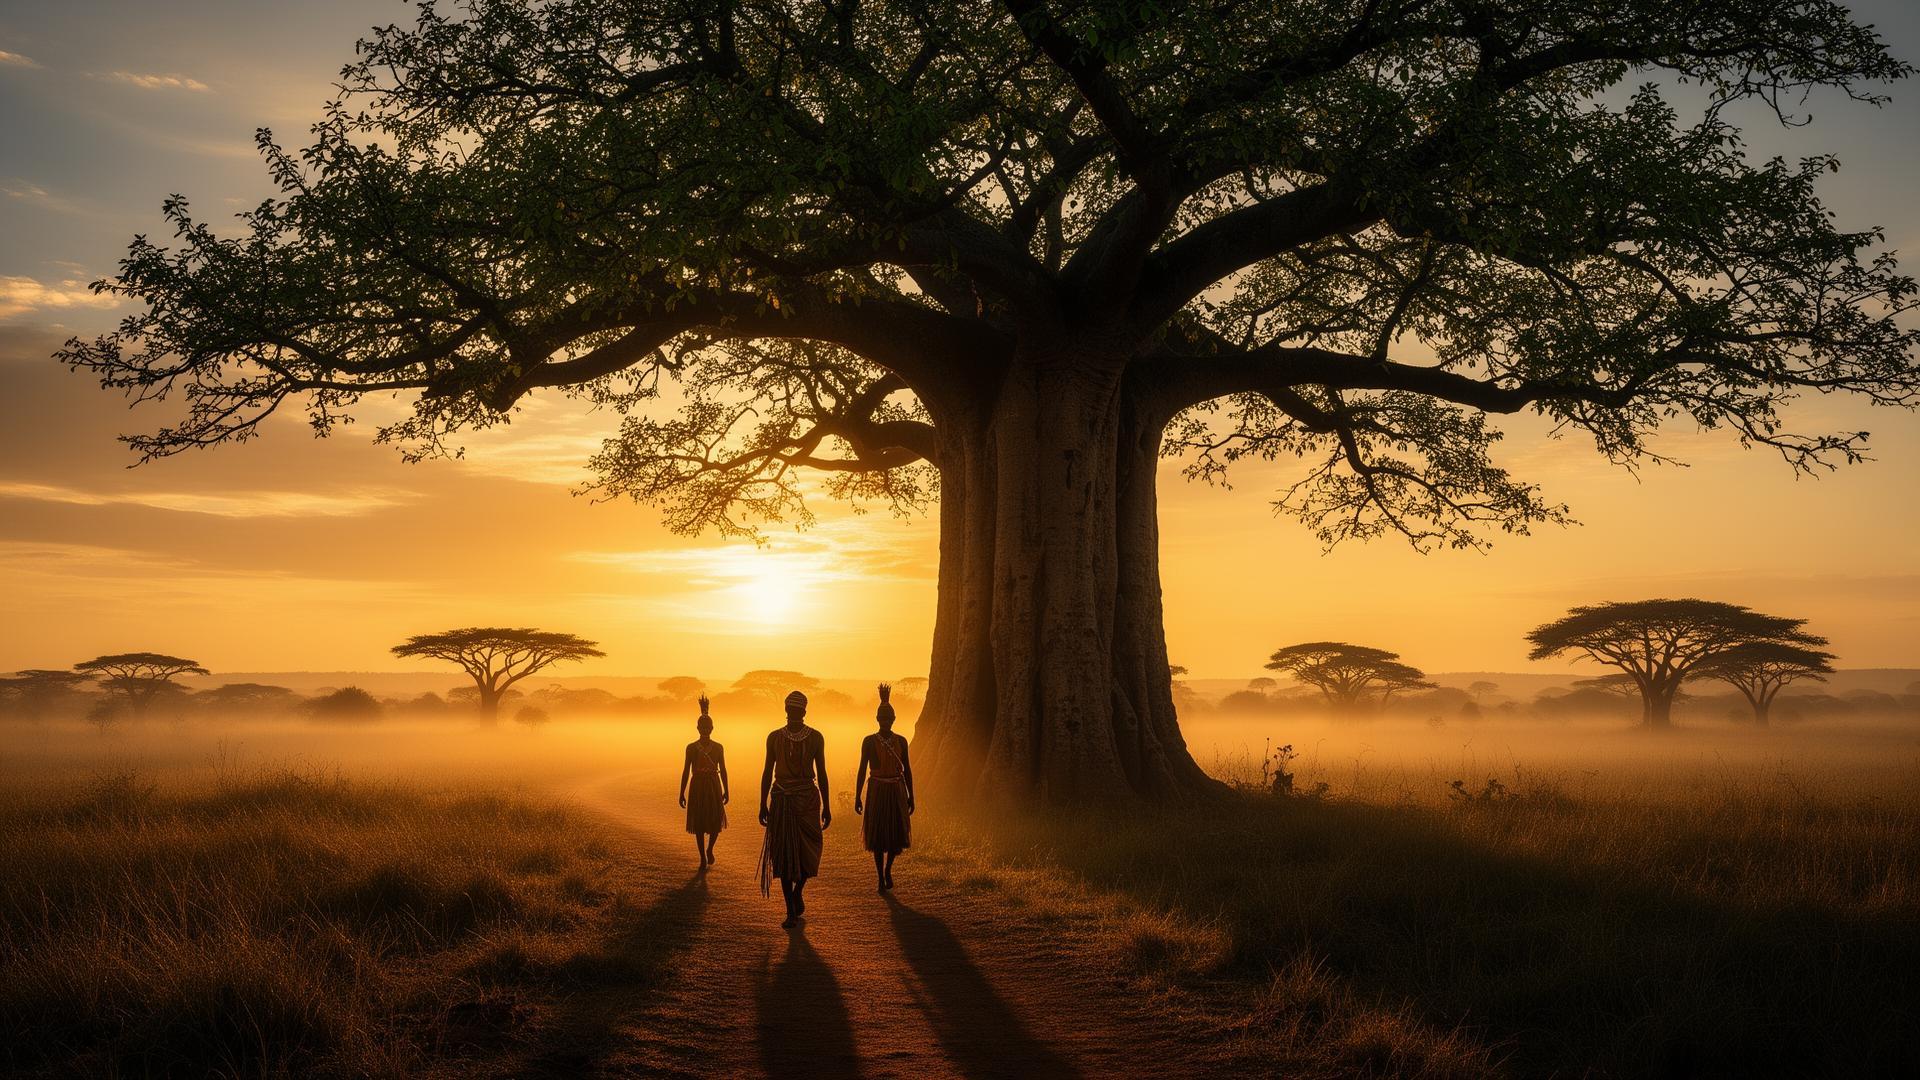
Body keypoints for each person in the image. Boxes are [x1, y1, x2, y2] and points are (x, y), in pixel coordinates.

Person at [758, 689, 829, 927]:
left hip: (800, 799)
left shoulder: (813, 737)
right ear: (800, 711)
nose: (795, 713)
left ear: (788, 710)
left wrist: (762, 804)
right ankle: (790, 910)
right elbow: (768, 772)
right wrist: (827, 806)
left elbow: (768, 773)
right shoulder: (779, 737)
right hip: (787, 799)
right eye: (795, 710)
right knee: (788, 853)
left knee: (802, 850)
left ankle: (796, 894)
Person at [854, 683, 914, 892]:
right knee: (878, 838)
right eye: (883, 719)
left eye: (889, 719)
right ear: (877, 720)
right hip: (877, 790)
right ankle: (880, 877)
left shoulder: (902, 741)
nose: (886, 722)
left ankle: (888, 870)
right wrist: (857, 796)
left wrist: (910, 795)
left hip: (896, 790)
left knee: (896, 838)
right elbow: (862, 770)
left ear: (893, 720)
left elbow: (907, 770)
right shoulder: (869, 742)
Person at [678, 695, 729, 869]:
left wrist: (726, 790)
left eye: (708, 726)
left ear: (712, 728)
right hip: (697, 785)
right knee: (698, 823)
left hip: (714, 785)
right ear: (697, 728)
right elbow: (686, 771)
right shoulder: (691, 748)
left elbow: (724, 769)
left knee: (715, 822)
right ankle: (702, 858)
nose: (705, 729)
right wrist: (681, 792)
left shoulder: (719, 747)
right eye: (703, 726)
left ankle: (710, 850)